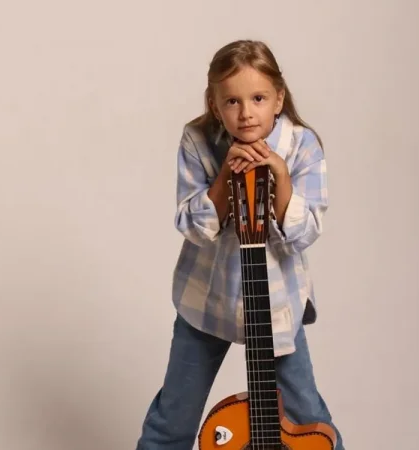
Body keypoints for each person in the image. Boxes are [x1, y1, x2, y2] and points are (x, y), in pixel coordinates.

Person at [135, 39, 344, 450]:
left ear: (278, 99)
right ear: (215, 105)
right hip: (207, 300)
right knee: (173, 419)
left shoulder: (302, 145)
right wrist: (224, 179)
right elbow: (192, 226)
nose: (246, 112)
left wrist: (280, 176)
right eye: (232, 101)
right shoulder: (197, 139)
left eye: (258, 98)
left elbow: (303, 234)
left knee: (309, 421)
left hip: (277, 306)